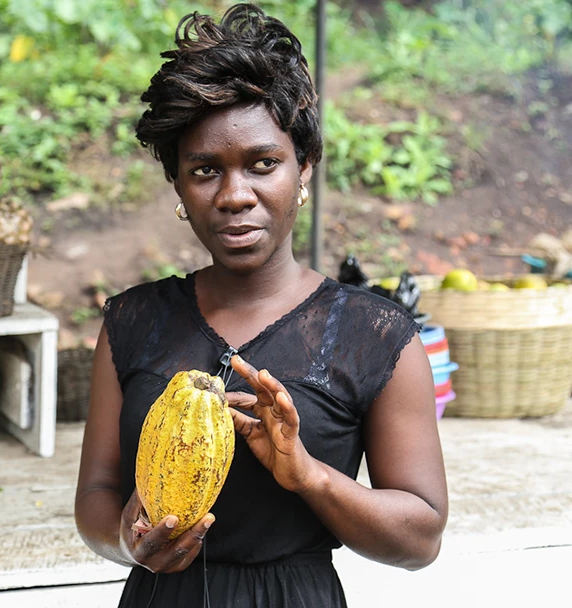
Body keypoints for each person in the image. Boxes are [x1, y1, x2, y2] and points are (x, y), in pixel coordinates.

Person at [74, 4, 448, 606]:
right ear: (178, 185)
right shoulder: (131, 323)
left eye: (262, 164)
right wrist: (126, 537)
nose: (234, 195)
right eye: (204, 170)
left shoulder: (378, 336)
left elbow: (421, 537)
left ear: (303, 169)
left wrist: (309, 476)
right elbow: (94, 496)